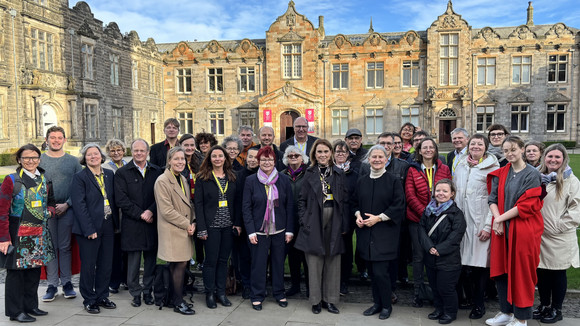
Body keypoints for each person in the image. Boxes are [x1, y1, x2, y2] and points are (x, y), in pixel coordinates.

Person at [485, 136, 543, 326]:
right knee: (501, 270)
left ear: (522, 150)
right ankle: (506, 312)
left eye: (513, 150)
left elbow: (527, 205)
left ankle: (521, 318)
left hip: (523, 229)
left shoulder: (532, 174)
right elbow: (492, 199)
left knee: (521, 272)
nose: (509, 153)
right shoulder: (502, 172)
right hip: (502, 229)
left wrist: (499, 219)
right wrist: (498, 220)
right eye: (506, 150)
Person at [0, 144, 55, 323]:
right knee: (16, 275)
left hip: (39, 234)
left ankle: (31, 306)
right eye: (26, 158)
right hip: (17, 233)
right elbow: (2, 211)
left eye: (34, 158)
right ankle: (16, 312)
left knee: (34, 272)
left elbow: (52, 202)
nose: (30, 161)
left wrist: (49, 212)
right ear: (19, 160)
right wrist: (3, 238)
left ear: (39, 159)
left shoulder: (44, 179)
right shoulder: (11, 180)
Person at [295, 139, 349, 315]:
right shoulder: (308, 173)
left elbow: (346, 201)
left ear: (331, 153)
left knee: (333, 261)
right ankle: (316, 301)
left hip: (334, 219)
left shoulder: (339, 173)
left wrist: (344, 224)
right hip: (314, 220)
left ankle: (330, 300)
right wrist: (304, 221)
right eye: (319, 152)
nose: (323, 155)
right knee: (315, 262)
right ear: (314, 154)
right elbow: (301, 200)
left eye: (326, 151)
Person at [355, 145, 405, 320]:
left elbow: (399, 205)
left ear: (386, 159)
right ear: (368, 159)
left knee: (381, 273)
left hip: (385, 234)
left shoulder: (393, 180)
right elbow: (355, 203)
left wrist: (379, 218)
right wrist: (357, 216)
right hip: (366, 234)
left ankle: (386, 305)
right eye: (373, 157)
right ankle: (376, 303)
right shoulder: (362, 181)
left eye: (380, 157)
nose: (376, 160)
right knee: (372, 273)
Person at [453, 134, 499, 320]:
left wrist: (488, 225)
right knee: (462, 264)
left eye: (480, 144)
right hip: (461, 222)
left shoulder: (493, 168)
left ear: (485, 147)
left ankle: (479, 304)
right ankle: (466, 299)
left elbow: (494, 199)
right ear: (468, 146)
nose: (476, 147)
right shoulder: (461, 165)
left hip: (480, 222)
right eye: (473, 144)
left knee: (480, 266)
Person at [243, 146, 294, 311]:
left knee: (278, 263)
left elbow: (289, 207)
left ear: (275, 161)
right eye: (263, 159)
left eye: (269, 159)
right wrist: (250, 230)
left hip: (279, 230)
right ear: (258, 161)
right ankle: (257, 295)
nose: (266, 162)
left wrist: (289, 230)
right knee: (258, 264)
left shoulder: (283, 180)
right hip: (258, 231)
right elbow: (246, 208)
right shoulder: (251, 181)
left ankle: (279, 293)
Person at [533, 144, 580, 323]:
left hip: (560, 236)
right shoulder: (537, 177)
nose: (553, 160)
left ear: (563, 159)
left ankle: (557, 309)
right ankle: (544, 305)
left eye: (557, 157)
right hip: (539, 235)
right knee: (542, 272)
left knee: (557, 274)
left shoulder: (571, 181)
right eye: (550, 156)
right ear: (544, 157)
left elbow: (577, 209)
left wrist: (559, 225)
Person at [114, 139, 163, 308]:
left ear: (148, 152)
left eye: (142, 150)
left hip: (152, 223)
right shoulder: (122, 173)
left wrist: (151, 211)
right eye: (136, 150)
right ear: (132, 152)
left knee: (150, 262)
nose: (139, 153)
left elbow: (161, 197)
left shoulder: (156, 171)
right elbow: (121, 200)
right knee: (133, 264)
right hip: (132, 223)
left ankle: (148, 291)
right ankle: (135, 293)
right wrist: (140, 213)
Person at [71, 144, 119, 314]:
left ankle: (102, 296)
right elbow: (79, 205)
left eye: (96, 154)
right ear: (85, 158)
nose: (93, 157)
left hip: (107, 225)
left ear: (101, 156)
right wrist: (89, 229)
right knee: (89, 265)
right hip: (89, 227)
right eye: (89, 155)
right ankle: (89, 299)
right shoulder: (80, 177)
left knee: (106, 264)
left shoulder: (109, 175)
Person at [405, 137, 451, 307]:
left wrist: (437, 213)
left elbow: (448, 190)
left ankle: (435, 292)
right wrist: (425, 213)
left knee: (435, 256)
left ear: (435, 150)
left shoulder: (444, 168)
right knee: (418, 257)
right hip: (417, 220)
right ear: (419, 151)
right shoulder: (413, 170)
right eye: (425, 147)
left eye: (431, 147)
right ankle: (417, 292)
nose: (428, 150)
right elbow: (410, 194)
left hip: (440, 220)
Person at [39, 126, 82, 302]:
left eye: (59, 137)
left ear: (64, 140)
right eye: (52, 137)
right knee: (50, 247)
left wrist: (68, 204)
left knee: (64, 247)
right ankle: (51, 285)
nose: (56, 140)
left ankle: (67, 283)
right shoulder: (39, 160)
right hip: (45, 211)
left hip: (67, 209)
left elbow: (81, 186)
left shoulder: (73, 162)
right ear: (47, 139)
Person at [195, 146, 241, 309]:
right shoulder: (202, 177)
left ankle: (221, 292)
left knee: (223, 261)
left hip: (227, 226)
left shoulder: (232, 176)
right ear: (209, 159)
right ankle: (210, 293)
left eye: (220, 156)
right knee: (211, 261)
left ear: (225, 158)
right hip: (211, 226)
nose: (217, 159)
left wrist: (236, 223)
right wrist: (201, 228)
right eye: (214, 156)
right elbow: (198, 205)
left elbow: (236, 202)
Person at [154, 146, 196, 315]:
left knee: (179, 264)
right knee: (179, 264)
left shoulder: (182, 178)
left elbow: (188, 203)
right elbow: (166, 211)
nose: (180, 162)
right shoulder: (162, 181)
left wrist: (193, 221)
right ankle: (178, 302)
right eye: (176, 159)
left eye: (182, 159)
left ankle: (173, 299)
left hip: (184, 228)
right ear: (169, 161)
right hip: (173, 229)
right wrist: (187, 224)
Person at [418, 179, 467, 324]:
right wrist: (429, 247)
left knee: (446, 288)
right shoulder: (428, 211)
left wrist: (439, 249)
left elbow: (456, 235)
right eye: (438, 190)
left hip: (448, 259)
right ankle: (439, 309)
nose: (441, 193)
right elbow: (421, 229)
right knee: (434, 286)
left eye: (445, 191)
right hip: (431, 256)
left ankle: (450, 312)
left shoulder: (456, 213)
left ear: (452, 194)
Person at [281, 146, 310, 297]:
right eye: (290, 155)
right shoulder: (281, 175)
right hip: (287, 221)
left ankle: (310, 287)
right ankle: (295, 285)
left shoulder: (309, 174)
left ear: (302, 158)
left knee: (306, 255)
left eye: (296, 155)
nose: (293, 157)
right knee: (292, 255)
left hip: (304, 219)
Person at [102, 139, 128, 295]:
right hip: (113, 213)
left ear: (123, 151)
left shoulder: (128, 166)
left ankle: (127, 278)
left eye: (119, 150)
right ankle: (114, 281)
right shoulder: (105, 168)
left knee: (127, 250)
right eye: (113, 151)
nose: (116, 153)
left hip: (128, 213)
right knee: (114, 250)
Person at [333, 140, 358, 296]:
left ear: (348, 154)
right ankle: (332, 280)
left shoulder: (354, 174)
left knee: (346, 250)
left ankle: (344, 282)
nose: (340, 154)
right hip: (331, 216)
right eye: (337, 151)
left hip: (348, 217)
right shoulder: (328, 171)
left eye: (343, 151)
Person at [234, 147, 259, 299]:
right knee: (244, 256)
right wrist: (237, 223)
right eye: (250, 156)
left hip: (260, 222)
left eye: (256, 157)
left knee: (258, 256)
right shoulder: (239, 176)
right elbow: (236, 201)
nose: (252, 160)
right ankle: (247, 285)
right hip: (243, 222)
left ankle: (258, 283)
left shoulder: (264, 175)